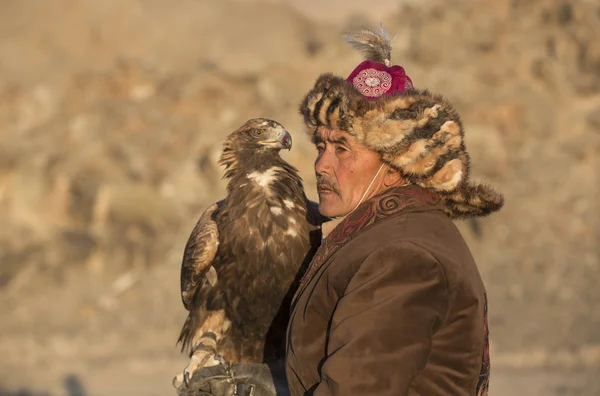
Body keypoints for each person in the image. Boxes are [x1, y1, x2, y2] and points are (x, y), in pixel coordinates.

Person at [284, 27, 504, 396]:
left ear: (396, 162)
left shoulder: (402, 256)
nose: (321, 165)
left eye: (342, 148)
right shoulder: (383, 236)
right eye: (321, 145)